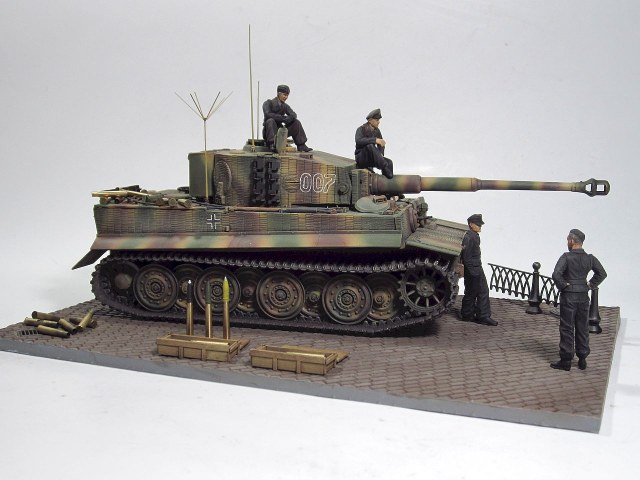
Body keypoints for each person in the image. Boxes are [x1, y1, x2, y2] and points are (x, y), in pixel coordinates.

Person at [550, 229, 607, 371]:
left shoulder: (566, 257)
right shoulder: (590, 258)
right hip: (583, 296)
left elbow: (556, 274)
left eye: (567, 240)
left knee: (567, 327)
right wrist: (590, 285)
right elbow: (601, 273)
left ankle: (566, 359)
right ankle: (582, 358)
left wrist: (564, 286)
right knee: (582, 327)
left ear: (571, 241)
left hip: (569, 296)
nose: (567, 243)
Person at [460, 214, 498, 326]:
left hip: (474, 268)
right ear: (471, 224)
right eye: (478, 224)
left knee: (471, 291)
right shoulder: (470, 237)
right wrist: (473, 272)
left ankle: (467, 315)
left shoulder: (473, 236)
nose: (480, 227)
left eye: (480, 225)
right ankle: (483, 316)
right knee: (483, 291)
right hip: (474, 269)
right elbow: (466, 257)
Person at [262, 85, 312, 152]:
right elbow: (268, 114)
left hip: (280, 131)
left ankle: (301, 145)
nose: (286, 97)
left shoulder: (285, 106)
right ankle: (272, 144)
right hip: (269, 131)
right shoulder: (268, 103)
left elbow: (293, 114)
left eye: (287, 95)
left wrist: (289, 118)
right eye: (284, 95)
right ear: (278, 93)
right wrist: (282, 118)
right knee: (270, 121)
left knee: (296, 122)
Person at [354, 109, 394, 179]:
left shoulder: (377, 131)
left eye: (378, 120)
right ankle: (384, 167)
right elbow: (359, 141)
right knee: (370, 146)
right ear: (370, 120)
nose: (378, 122)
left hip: (372, 157)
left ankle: (387, 180)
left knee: (389, 162)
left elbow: (381, 144)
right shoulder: (361, 129)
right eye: (376, 120)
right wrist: (375, 140)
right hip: (362, 158)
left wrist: (381, 154)